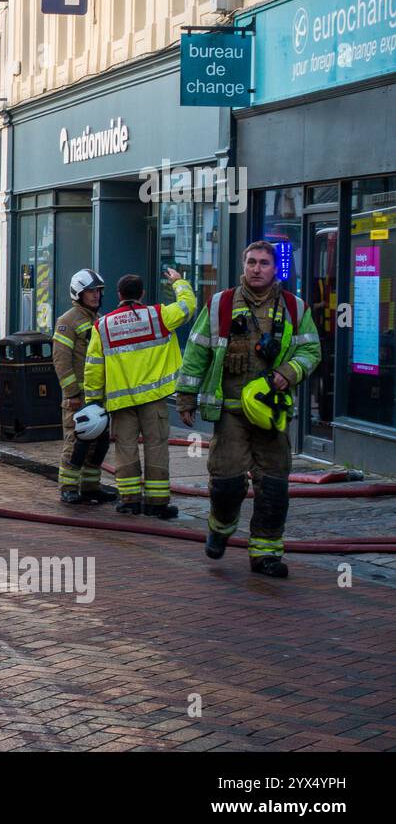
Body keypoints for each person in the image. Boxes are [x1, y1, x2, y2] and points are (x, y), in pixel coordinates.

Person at [177, 241, 321, 578]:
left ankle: (266, 554)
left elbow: (312, 351)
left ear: (275, 269)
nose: (257, 269)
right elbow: (196, 352)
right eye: (251, 262)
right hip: (229, 412)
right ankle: (221, 528)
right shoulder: (219, 305)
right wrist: (186, 397)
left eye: (264, 263)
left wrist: (287, 373)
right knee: (226, 483)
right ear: (243, 265)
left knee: (273, 486)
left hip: (271, 414)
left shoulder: (294, 308)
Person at [83, 268, 196, 518]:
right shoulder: (159, 315)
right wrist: (179, 282)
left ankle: (129, 501)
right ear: (142, 293)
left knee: (125, 449)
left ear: (119, 294)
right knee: (156, 446)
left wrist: (92, 400)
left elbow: (93, 367)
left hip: (120, 402)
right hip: (154, 399)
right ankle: (157, 503)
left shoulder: (102, 325)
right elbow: (188, 306)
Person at [52, 268, 115, 505]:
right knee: (76, 443)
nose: (96, 295)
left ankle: (91, 487)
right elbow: (61, 360)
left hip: (98, 397)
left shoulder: (99, 320)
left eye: (98, 291)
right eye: (90, 291)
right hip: (78, 398)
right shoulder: (67, 321)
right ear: (79, 293)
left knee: (99, 444)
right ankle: (68, 487)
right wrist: (72, 394)